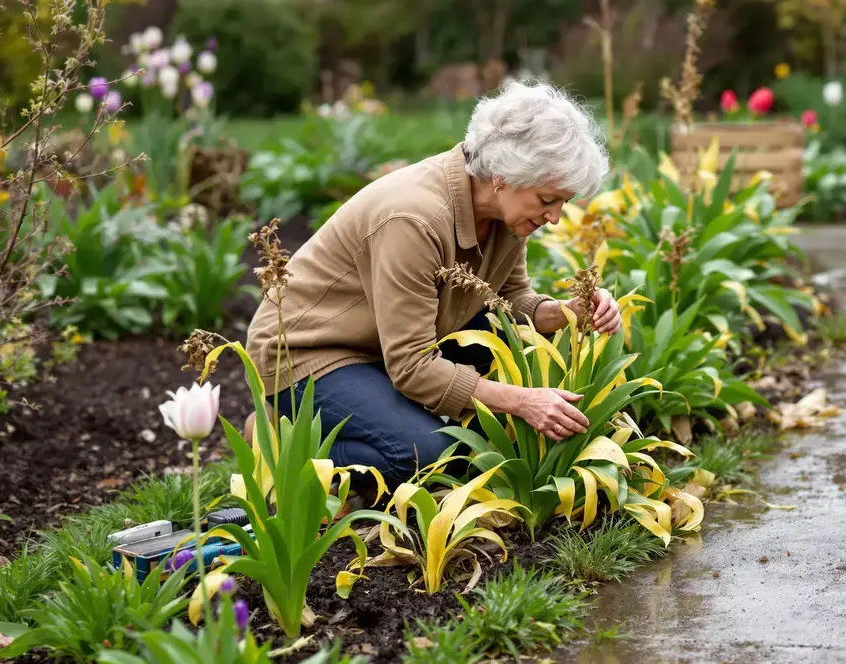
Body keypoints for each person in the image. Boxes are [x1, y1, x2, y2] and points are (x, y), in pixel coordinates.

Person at [244, 81, 620, 491]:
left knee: (499, 368)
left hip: (387, 345)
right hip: (311, 355)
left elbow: (510, 303)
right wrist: (522, 401)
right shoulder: (414, 220)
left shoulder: (509, 214)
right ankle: (280, 442)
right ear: (503, 176)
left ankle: (379, 414)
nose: (555, 217)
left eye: (562, 202)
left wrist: (571, 311)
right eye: (548, 199)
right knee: (430, 457)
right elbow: (411, 365)